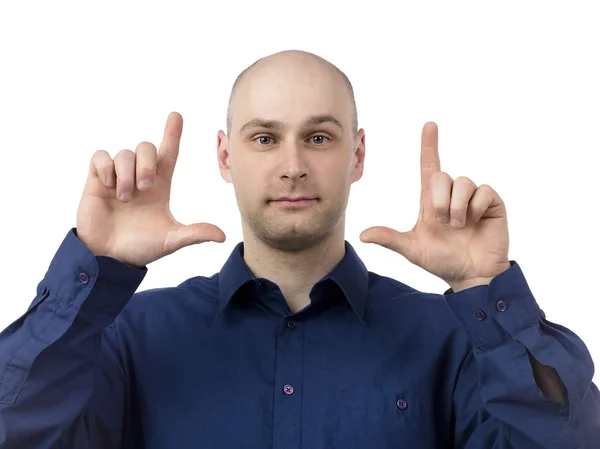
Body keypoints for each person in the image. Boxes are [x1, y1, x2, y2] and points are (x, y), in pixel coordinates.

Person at [0, 49, 598, 449]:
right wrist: (95, 266)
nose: (292, 167)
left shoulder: (452, 339)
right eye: (265, 138)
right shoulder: (132, 335)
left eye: (318, 137)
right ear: (226, 157)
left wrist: (483, 291)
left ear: (357, 156)